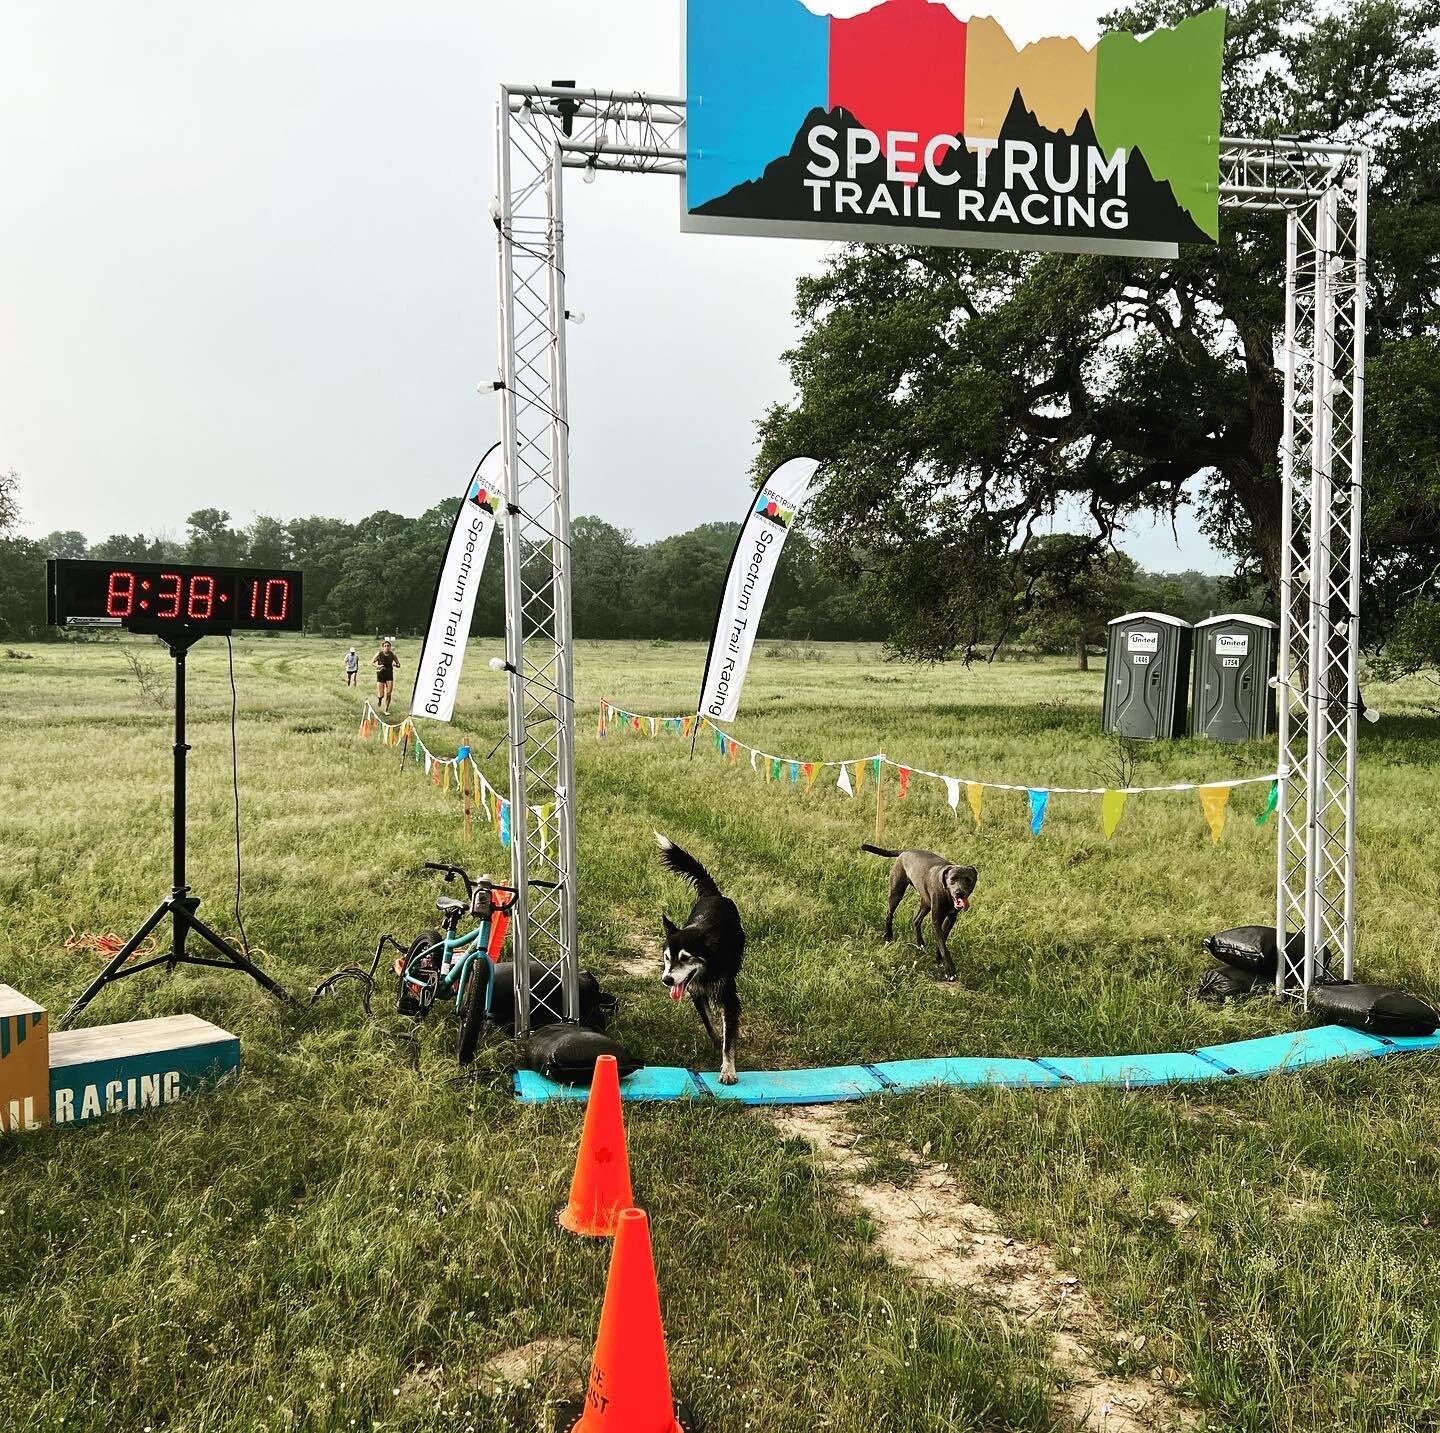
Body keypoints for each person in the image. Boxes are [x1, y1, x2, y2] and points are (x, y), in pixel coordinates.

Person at [373, 639, 399, 713]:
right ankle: (380, 699)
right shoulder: (379, 654)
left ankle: (386, 709)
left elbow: (399, 664)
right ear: (383, 647)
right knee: (381, 694)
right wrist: (378, 666)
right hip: (380, 675)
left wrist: (396, 665)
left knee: (389, 693)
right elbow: (372, 662)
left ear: (390, 647)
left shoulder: (393, 655)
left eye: (388, 646)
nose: (386, 647)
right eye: (385, 646)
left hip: (389, 675)